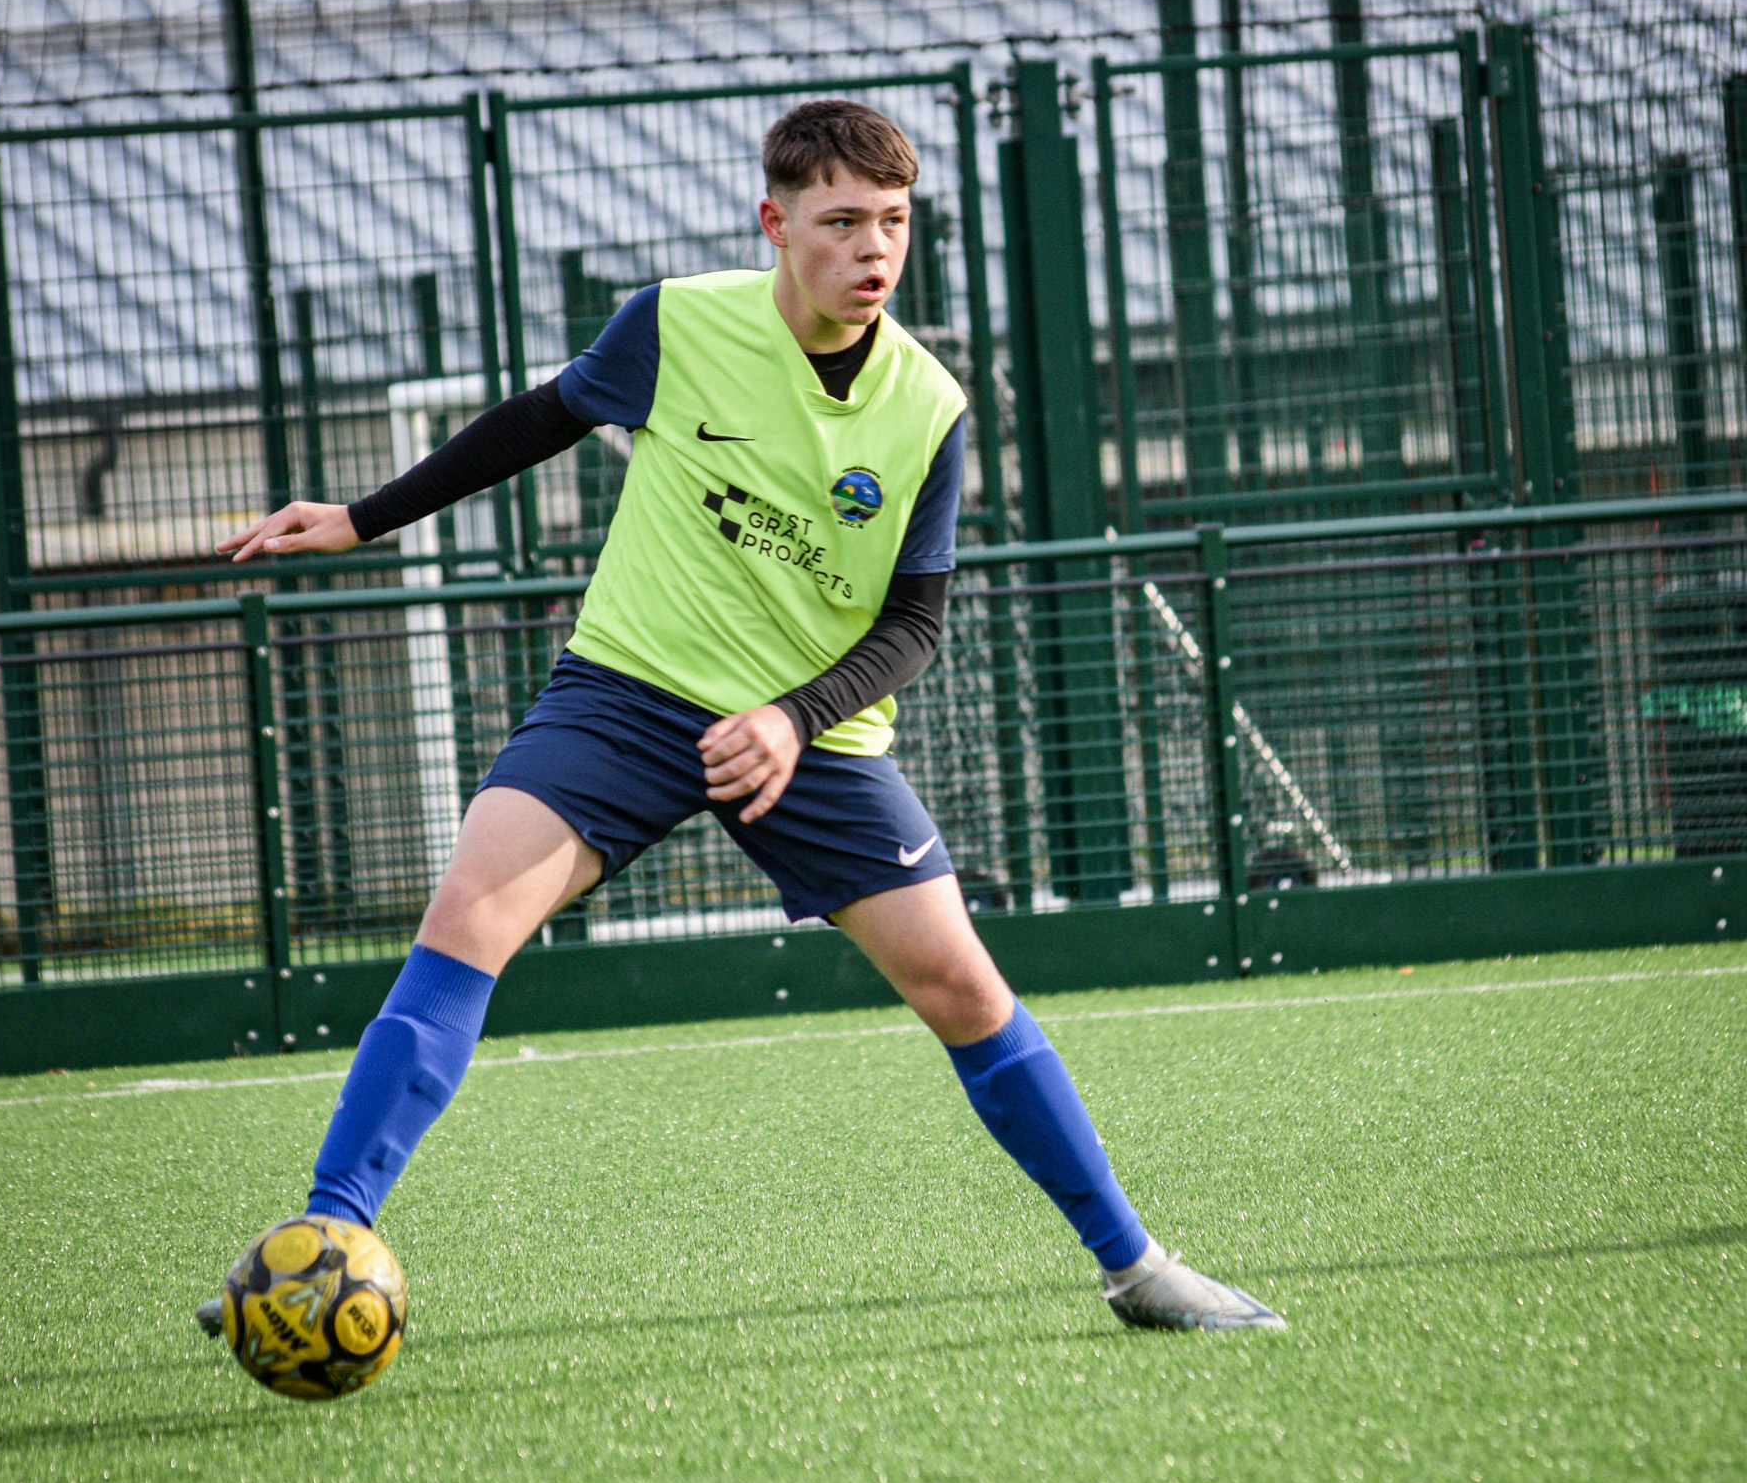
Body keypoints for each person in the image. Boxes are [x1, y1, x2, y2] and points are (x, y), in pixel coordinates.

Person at [213, 100, 1281, 1334]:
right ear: (775, 224)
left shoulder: (927, 407)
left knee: (962, 990)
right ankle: (319, 1246)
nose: (872, 250)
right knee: (464, 921)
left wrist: (790, 716)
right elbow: (538, 420)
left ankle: (1137, 1268)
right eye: (840, 223)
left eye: (892, 222)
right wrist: (360, 517)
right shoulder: (673, 324)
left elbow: (912, 626)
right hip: (624, 694)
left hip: (813, 738)